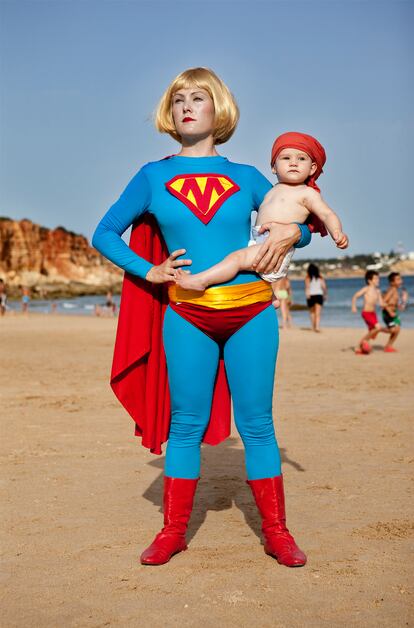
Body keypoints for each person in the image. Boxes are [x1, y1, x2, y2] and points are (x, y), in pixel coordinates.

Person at [92, 67, 313, 568]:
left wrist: (289, 238)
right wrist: (150, 269)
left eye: (199, 98)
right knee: (185, 424)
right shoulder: (152, 175)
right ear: (169, 113)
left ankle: (277, 532)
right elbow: (104, 233)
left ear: (220, 109)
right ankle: (172, 531)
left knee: (257, 425)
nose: (187, 106)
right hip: (186, 314)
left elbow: (297, 221)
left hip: (252, 313)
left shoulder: (247, 176)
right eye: (178, 100)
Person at [175, 131, 348, 307]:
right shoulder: (273, 189)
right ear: (274, 167)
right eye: (286, 158)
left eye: (301, 159)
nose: (294, 163)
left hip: (272, 246)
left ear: (312, 168)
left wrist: (337, 232)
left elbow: (326, 213)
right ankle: (270, 295)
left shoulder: (307, 193)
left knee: (236, 259)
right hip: (259, 241)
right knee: (241, 257)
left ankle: (201, 281)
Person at [351, 270, 387, 354]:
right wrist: (353, 306)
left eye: (378, 278)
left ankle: (361, 347)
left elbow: (381, 303)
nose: (378, 280)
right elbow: (355, 296)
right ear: (369, 280)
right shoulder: (366, 289)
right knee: (377, 328)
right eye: (376, 278)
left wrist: (386, 305)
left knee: (373, 333)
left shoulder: (378, 291)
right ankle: (360, 344)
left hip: (373, 314)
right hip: (366, 313)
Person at [382, 272, 405, 352]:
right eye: (398, 279)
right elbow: (383, 302)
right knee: (392, 330)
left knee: (397, 329)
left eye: (401, 279)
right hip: (387, 314)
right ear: (392, 282)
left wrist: (401, 305)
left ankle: (388, 346)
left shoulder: (396, 290)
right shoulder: (391, 290)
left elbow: (394, 303)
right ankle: (378, 329)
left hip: (394, 313)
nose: (401, 281)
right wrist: (390, 312)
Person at [305, 264, 327, 332]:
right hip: (319, 295)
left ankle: (313, 326)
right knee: (318, 313)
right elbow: (324, 287)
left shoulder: (307, 277)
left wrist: (307, 295)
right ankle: (317, 327)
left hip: (311, 295)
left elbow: (307, 287)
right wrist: (325, 295)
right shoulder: (320, 277)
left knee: (312, 312)